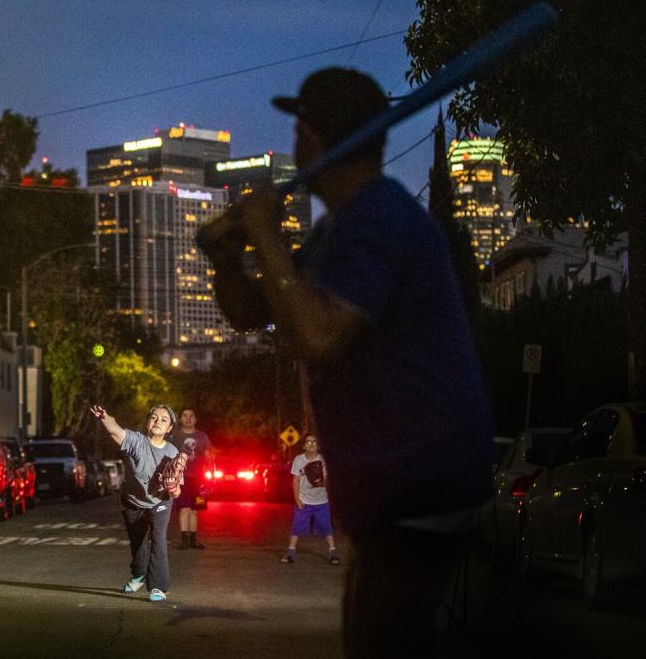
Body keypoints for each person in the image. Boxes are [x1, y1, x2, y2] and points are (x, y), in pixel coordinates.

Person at [200, 67, 494, 657]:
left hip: (419, 484)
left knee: (380, 638)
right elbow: (257, 312)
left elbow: (318, 333)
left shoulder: (378, 219)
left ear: (308, 139)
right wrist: (230, 263)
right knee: (372, 626)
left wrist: (266, 237)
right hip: (395, 488)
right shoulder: (341, 232)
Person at [90, 403, 182, 603]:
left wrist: (173, 487)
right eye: (154, 417)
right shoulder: (136, 441)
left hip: (160, 501)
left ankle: (158, 586)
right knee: (138, 541)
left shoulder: (173, 452)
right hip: (132, 500)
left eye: (163, 420)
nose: (157, 421)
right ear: (148, 421)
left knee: (158, 538)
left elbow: (178, 490)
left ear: (169, 429)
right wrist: (104, 417)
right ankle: (139, 574)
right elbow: (115, 431)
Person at [280, 433, 339, 565]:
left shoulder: (323, 460)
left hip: (321, 501)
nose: (311, 444)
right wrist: (297, 499)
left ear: (318, 446)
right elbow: (295, 480)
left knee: (326, 527)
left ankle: (333, 554)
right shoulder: (298, 460)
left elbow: (325, 482)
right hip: (304, 500)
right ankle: (290, 554)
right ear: (304, 446)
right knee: (296, 527)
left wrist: (317, 477)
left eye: (314, 442)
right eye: (308, 442)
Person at [171, 408, 214, 549]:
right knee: (184, 508)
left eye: (191, 416)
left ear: (195, 419)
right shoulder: (175, 437)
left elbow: (209, 458)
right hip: (181, 479)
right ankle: (184, 540)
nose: (188, 418)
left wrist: (211, 479)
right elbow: (168, 457)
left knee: (195, 509)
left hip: (198, 480)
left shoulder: (202, 437)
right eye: (185, 416)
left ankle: (193, 540)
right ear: (180, 419)